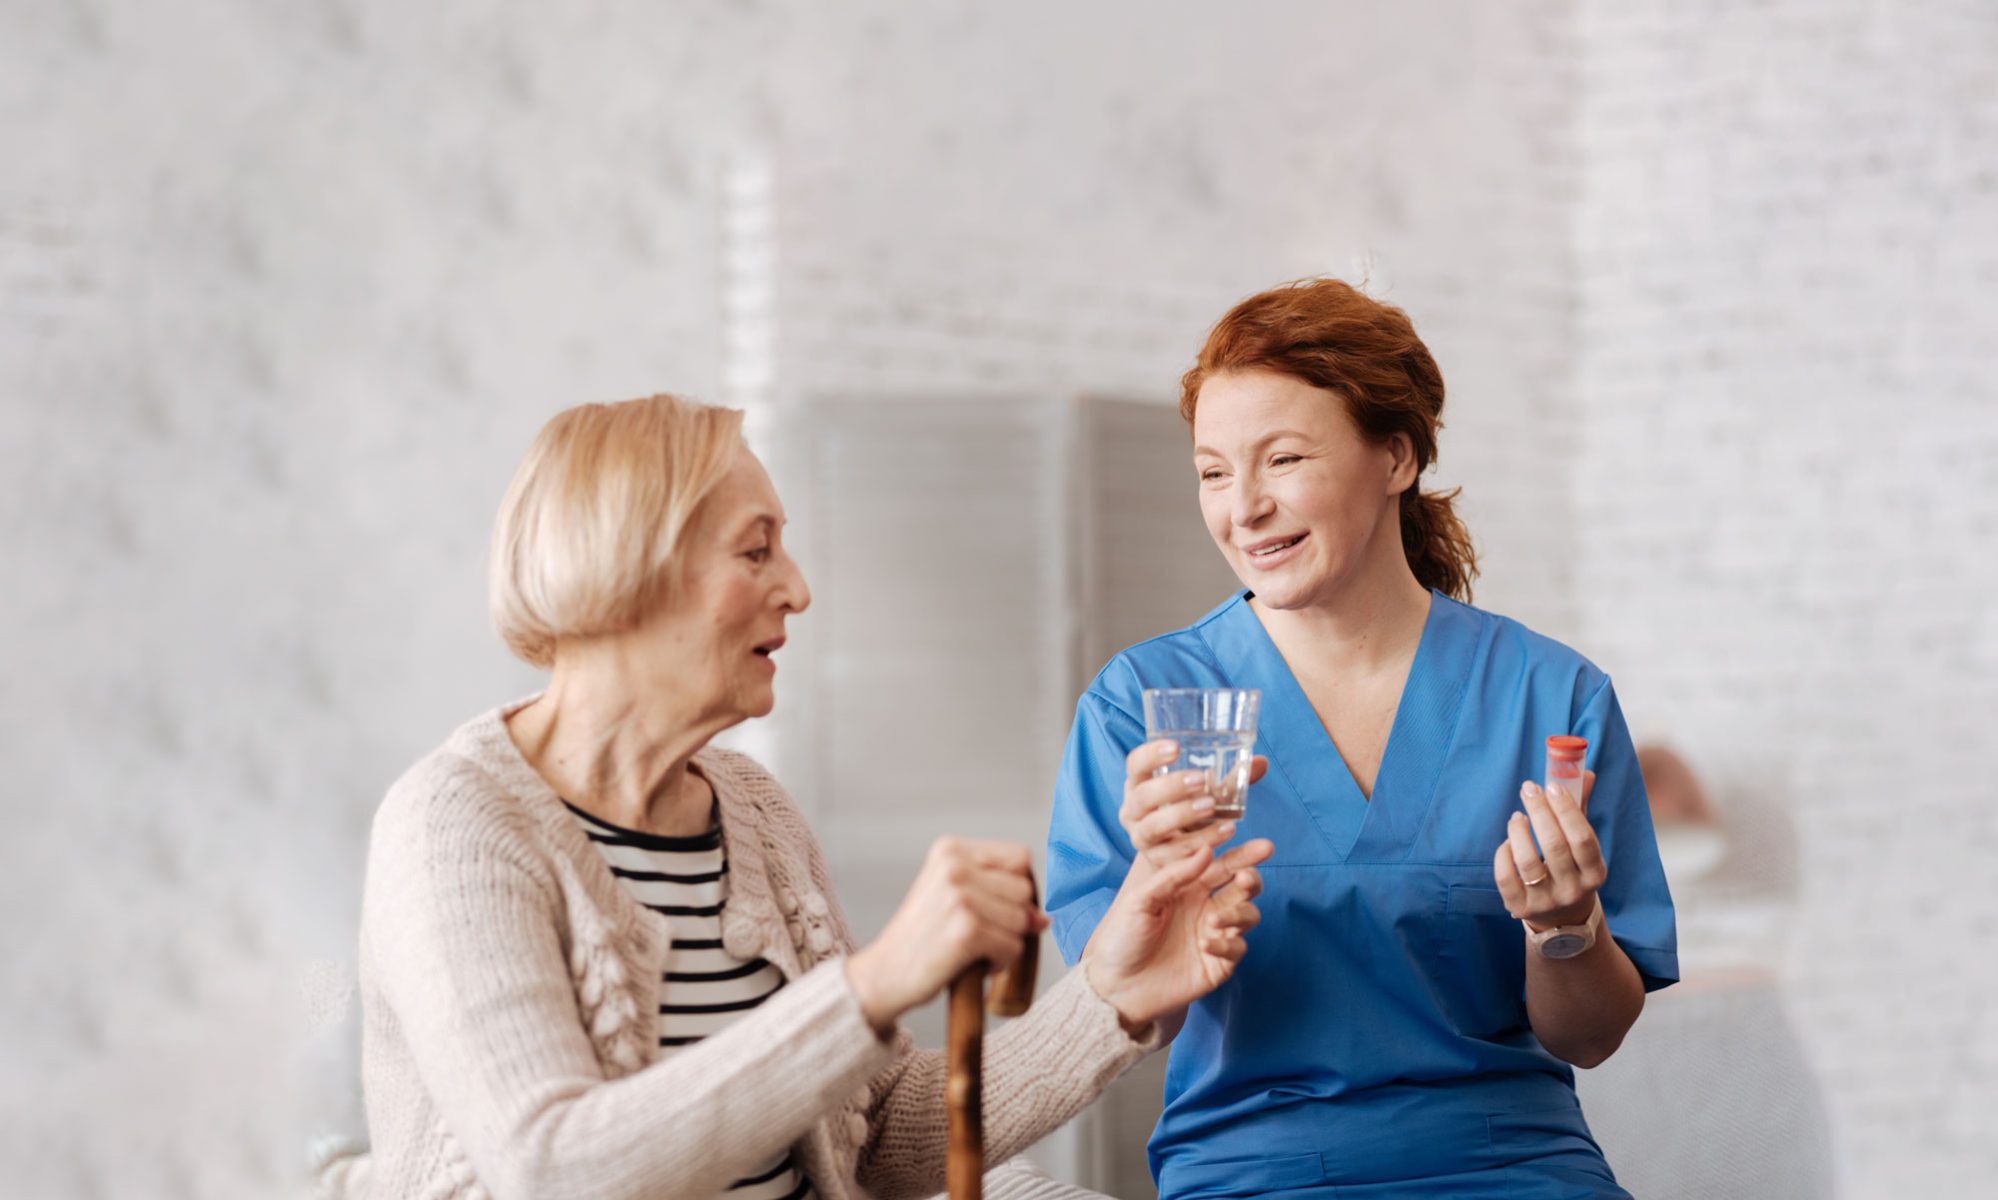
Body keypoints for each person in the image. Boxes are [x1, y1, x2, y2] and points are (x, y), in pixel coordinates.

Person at [324, 395, 1272, 1200]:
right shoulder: (456, 825)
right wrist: (873, 984)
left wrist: (1112, 993)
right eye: (757, 550)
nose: (798, 589)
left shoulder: (752, 811)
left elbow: (878, 1138)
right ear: (630, 565)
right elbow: (555, 1168)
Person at [1045, 279, 1679, 1199]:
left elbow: (1589, 1038)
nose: (1244, 507)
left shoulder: (1551, 699)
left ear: (1397, 457)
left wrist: (1565, 927)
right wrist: (1156, 897)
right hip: (1252, 1173)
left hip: (1512, 1169)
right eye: (1215, 472)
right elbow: (1127, 1027)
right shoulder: (1144, 707)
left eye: (1284, 459)